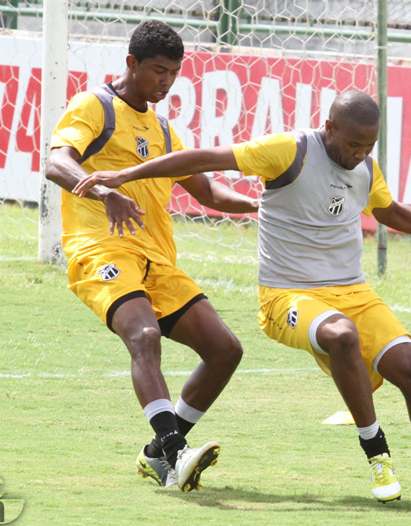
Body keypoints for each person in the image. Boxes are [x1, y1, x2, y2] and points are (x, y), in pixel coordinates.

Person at [72, 89, 411, 502]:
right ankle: (377, 456)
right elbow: (207, 157)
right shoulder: (289, 150)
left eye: (371, 145)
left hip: (352, 292)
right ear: (329, 128)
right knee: (340, 335)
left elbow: (390, 211)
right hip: (287, 297)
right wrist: (127, 174)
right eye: (354, 143)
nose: (361, 153)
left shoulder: (366, 168)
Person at [44, 20, 259, 493]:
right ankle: (177, 453)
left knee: (225, 351)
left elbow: (208, 191)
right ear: (131, 64)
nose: (165, 82)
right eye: (157, 71)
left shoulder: (162, 128)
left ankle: (158, 453)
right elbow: (56, 161)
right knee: (143, 334)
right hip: (99, 248)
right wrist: (103, 191)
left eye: (173, 74)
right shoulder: (94, 106)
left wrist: (259, 205)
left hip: (155, 260)